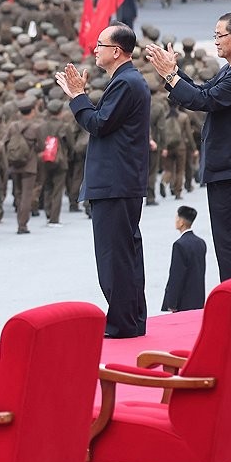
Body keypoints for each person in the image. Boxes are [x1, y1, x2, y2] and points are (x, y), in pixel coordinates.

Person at [145, 12, 231, 281]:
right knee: (227, 243)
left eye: (220, 36)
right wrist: (173, 73)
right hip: (227, 168)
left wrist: (170, 76)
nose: (217, 42)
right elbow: (202, 90)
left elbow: (204, 101)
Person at [55, 24, 150, 338]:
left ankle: (123, 322)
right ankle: (131, 319)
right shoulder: (124, 81)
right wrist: (80, 98)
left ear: (117, 51)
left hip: (116, 183)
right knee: (125, 254)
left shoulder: (126, 82)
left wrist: (78, 97)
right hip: (120, 182)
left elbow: (99, 124)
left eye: (100, 44)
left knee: (115, 257)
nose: (94, 49)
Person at [162, 205, 206, 313]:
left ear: (181, 222)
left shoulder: (179, 245)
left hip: (183, 301)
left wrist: (171, 302)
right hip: (198, 298)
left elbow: (176, 276)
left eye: (177, 218)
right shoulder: (200, 242)